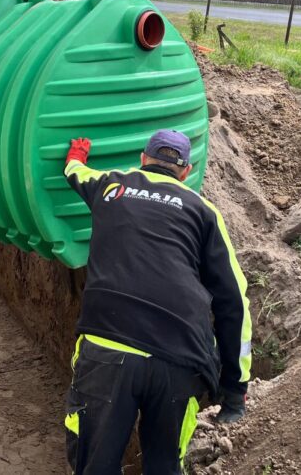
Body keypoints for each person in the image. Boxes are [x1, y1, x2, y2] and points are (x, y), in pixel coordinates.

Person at [63, 130, 252, 475]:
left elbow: (75, 173)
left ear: (143, 159)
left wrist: (76, 154)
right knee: (164, 466)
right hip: (179, 359)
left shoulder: (111, 186)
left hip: (108, 347)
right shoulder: (204, 211)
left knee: (94, 466)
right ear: (186, 171)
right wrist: (235, 387)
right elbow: (234, 302)